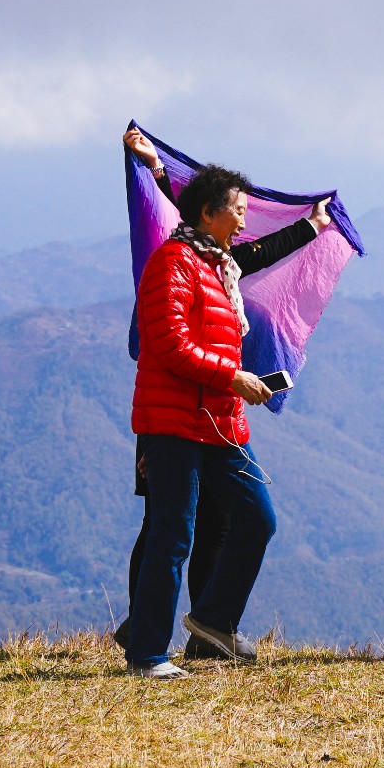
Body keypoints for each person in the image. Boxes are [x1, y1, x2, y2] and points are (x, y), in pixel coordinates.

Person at [111, 128, 329, 661]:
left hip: (220, 422)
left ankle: (211, 623)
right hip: (173, 422)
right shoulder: (175, 262)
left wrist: (313, 224)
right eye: (237, 209)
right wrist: (232, 378)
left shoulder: (220, 265)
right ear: (208, 214)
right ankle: (147, 651)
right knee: (171, 534)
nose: (245, 219)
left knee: (255, 520)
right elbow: (168, 345)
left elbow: (261, 250)